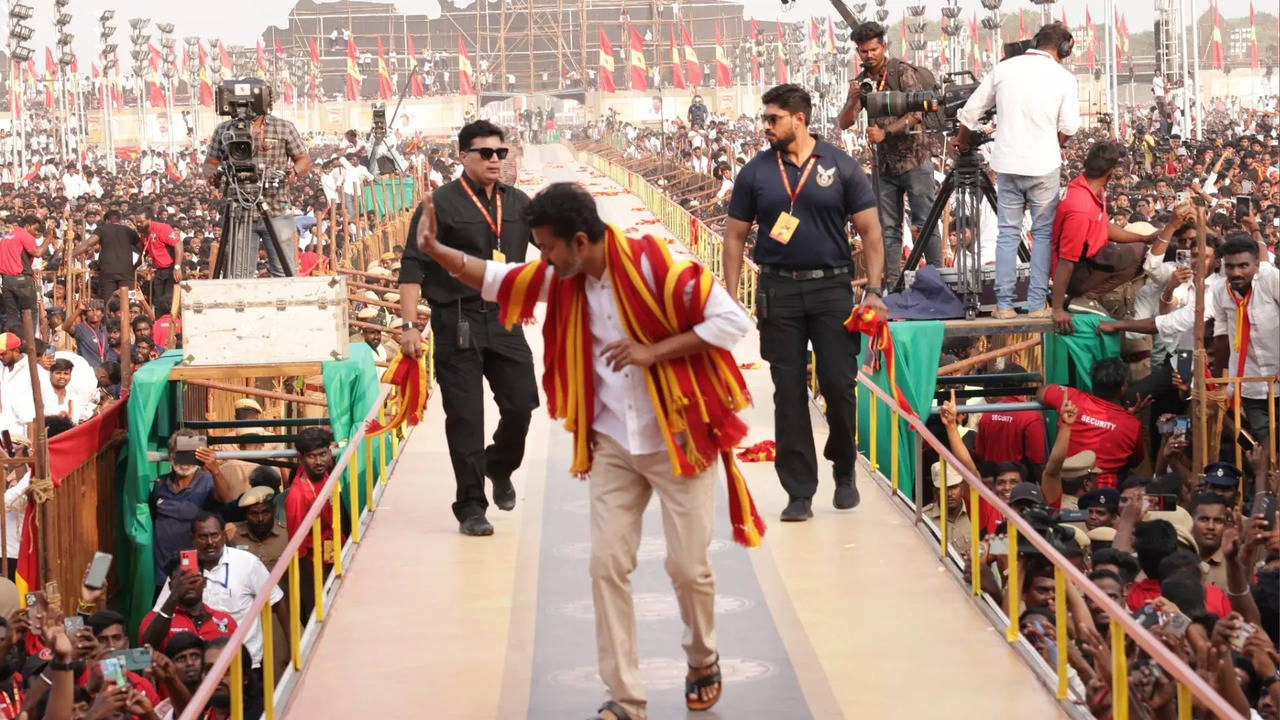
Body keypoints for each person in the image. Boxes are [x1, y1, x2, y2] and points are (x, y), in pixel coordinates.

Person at [412, 181, 754, 720]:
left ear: (578, 240)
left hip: (679, 435)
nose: (542, 259)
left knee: (688, 568)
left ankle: (702, 657)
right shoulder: (565, 279)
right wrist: (436, 252)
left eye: (547, 248)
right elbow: (499, 279)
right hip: (614, 442)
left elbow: (733, 321)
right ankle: (625, 698)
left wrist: (652, 352)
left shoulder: (653, 266)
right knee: (605, 566)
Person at [723, 84, 885, 521]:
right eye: (765, 119)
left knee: (839, 383)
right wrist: (732, 295)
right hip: (778, 292)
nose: (766, 127)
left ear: (799, 118)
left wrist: (874, 289)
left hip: (831, 289)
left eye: (773, 119)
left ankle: (844, 466)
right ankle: (799, 491)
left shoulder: (840, 165)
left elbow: (871, 232)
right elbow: (735, 236)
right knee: (788, 394)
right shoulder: (756, 172)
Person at [397, 120, 539, 536]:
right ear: (464, 156)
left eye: (501, 152)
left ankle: (501, 463)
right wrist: (408, 327)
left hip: (505, 316)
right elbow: (412, 265)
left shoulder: (518, 204)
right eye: (486, 153)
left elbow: (551, 247)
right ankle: (472, 505)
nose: (496, 160)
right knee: (465, 417)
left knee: (522, 402)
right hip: (456, 318)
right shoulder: (439, 204)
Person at [955, 22, 1080, 318]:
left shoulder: (1005, 69)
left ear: (1034, 42)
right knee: (1042, 235)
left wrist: (960, 142)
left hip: (1008, 165)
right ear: (1063, 50)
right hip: (1044, 166)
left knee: (1007, 235)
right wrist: (1055, 142)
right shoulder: (1064, 78)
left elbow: (971, 111)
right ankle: (1037, 305)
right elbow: (1070, 127)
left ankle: (1005, 305)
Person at [838, 21, 939, 282]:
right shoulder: (862, 82)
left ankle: (940, 280)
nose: (868, 55)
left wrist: (886, 133)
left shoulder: (901, 71)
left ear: (883, 46)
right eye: (863, 51)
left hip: (915, 160)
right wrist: (852, 100)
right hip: (884, 166)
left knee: (924, 223)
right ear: (857, 52)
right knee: (888, 229)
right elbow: (844, 123)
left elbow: (918, 111)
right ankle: (893, 285)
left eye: (873, 49)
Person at [1048, 141, 1185, 334]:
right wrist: (1057, 309)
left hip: (1086, 262)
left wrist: (1142, 237)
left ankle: (1084, 297)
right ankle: (1086, 297)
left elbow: (1104, 226)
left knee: (1138, 247)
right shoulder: (1079, 207)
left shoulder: (1091, 188)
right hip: (1072, 272)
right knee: (1137, 254)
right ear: (1110, 173)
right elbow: (1066, 261)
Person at [203, 78, 312, 277]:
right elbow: (210, 162)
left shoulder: (283, 128)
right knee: (239, 274)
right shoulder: (224, 130)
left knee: (284, 271)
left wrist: (293, 171)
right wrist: (213, 176)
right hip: (239, 211)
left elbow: (304, 160)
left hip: (277, 208)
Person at [1210, 234, 1279, 441]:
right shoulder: (1220, 290)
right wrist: (1220, 381)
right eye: (1230, 267)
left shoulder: (1270, 279)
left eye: (1243, 266)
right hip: (1250, 384)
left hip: (1277, 377)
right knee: (1264, 442)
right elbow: (1221, 336)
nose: (1236, 272)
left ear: (1257, 265)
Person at [1036, 358, 1143, 488]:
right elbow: (1136, 461)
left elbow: (1042, 392)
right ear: (1122, 388)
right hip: (1105, 496)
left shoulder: (1071, 397)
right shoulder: (1132, 425)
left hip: (1065, 488)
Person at [72, 209, 141, 300]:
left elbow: (89, 243)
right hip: (127, 273)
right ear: (119, 220)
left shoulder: (102, 229)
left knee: (108, 301)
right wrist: (135, 266)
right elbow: (142, 250)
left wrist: (71, 254)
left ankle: (108, 313)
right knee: (127, 300)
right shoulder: (129, 231)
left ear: (107, 220)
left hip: (108, 273)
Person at [0, 214, 45, 333]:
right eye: (35, 229)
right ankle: (30, 345)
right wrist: (49, 239)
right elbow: (38, 252)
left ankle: (14, 347)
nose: (36, 233)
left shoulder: (7, 237)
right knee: (30, 313)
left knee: (12, 317)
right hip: (21, 280)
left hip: (6, 281)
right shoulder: (25, 235)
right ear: (27, 226)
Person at [135, 208, 181, 312]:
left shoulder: (162, 228)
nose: (138, 224)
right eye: (137, 222)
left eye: (141, 222)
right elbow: (145, 251)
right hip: (159, 270)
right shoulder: (143, 234)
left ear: (149, 219)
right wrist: (134, 267)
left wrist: (177, 267)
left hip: (172, 269)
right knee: (158, 301)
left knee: (170, 301)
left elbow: (178, 244)